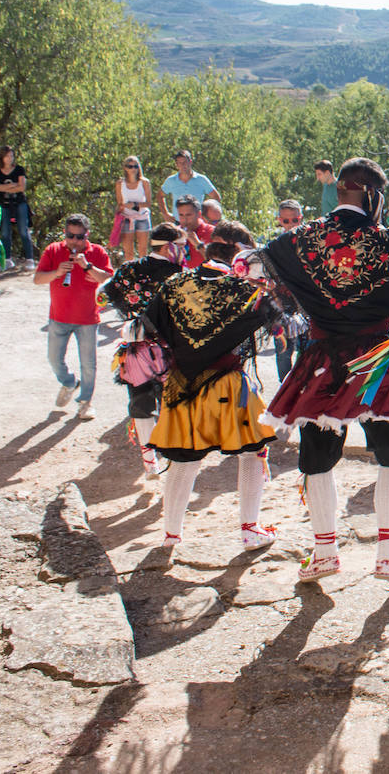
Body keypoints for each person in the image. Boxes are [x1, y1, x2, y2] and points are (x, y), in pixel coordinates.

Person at [261, 158, 389, 584]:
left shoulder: (299, 239)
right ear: (374, 196)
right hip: (380, 359)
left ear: (341, 190)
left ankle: (324, 553)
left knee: (318, 457)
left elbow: (267, 265)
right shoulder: (388, 241)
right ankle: (388, 555)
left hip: (322, 358)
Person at [145, 220, 278, 551]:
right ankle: (250, 529)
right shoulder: (245, 290)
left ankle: (171, 535)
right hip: (230, 385)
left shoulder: (174, 285)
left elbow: (150, 327)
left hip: (181, 385)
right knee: (252, 453)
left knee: (184, 460)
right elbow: (275, 320)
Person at [102, 223, 185, 477]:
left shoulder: (129, 269)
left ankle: (150, 463)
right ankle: (172, 459)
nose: (184, 251)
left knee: (140, 404)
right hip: (171, 352)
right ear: (170, 247)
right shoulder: (179, 275)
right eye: (181, 246)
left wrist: (129, 313)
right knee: (171, 404)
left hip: (136, 348)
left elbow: (104, 294)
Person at [33, 214, 114, 421]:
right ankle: (69, 382)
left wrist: (88, 266)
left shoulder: (97, 252)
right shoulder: (53, 250)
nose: (74, 241)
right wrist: (57, 272)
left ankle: (85, 402)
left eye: (79, 237)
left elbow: (110, 280)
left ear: (87, 235)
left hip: (87, 319)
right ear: (65, 234)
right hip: (59, 317)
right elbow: (38, 279)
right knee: (54, 359)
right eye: (70, 236)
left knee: (89, 364)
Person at [272, 200, 310, 382]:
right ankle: (284, 393)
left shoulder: (310, 245)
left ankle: (302, 394)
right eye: (286, 221)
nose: (290, 225)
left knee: (307, 354)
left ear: (300, 219)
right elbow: (267, 279)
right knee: (283, 353)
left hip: (307, 308)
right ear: (280, 220)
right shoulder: (273, 247)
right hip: (282, 309)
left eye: (294, 220)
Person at [0, 146, 34, 270]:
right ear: (2, 157)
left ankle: (29, 259)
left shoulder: (19, 170)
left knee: (23, 231)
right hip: (3, 203)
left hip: (19, 202)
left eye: (11, 156)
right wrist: (12, 186)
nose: (9, 159)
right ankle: (7, 259)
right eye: (7, 156)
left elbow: (22, 187)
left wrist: (3, 186)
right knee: (4, 232)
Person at [158, 150, 219, 223]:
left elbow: (216, 197)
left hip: (197, 222)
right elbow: (160, 196)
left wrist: (207, 216)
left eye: (184, 162)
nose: (182, 165)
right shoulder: (171, 180)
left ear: (190, 162)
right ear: (176, 164)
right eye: (179, 163)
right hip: (177, 222)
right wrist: (165, 214)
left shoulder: (201, 179)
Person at [114, 155, 153, 262]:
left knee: (143, 249)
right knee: (128, 250)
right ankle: (130, 273)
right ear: (125, 168)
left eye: (136, 166)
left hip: (142, 216)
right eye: (130, 166)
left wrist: (135, 205)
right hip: (126, 217)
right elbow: (120, 203)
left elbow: (149, 203)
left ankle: (144, 272)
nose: (133, 169)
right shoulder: (120, 183)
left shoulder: (144, 182)